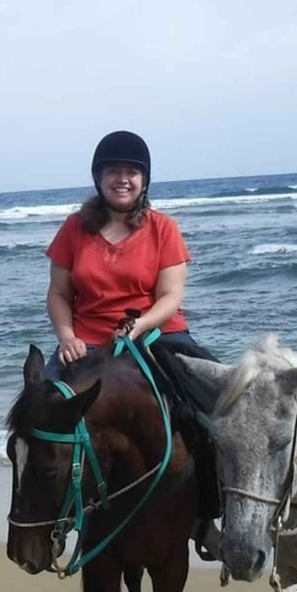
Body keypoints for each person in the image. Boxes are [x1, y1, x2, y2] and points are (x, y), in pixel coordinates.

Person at [44, 130, 221, 557]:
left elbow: (171, 297)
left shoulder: (163, 228)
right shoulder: (74, 229)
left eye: (131, 172)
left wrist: (139, 325)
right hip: (86, 342)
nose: (122, 179)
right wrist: (67, 337)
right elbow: (58, 294)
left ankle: (208, 517)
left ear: (144, 180)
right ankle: (49, 518)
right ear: (98, 177)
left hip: (159, 332)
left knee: (214, 409)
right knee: (40, 419)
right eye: (113, 172)